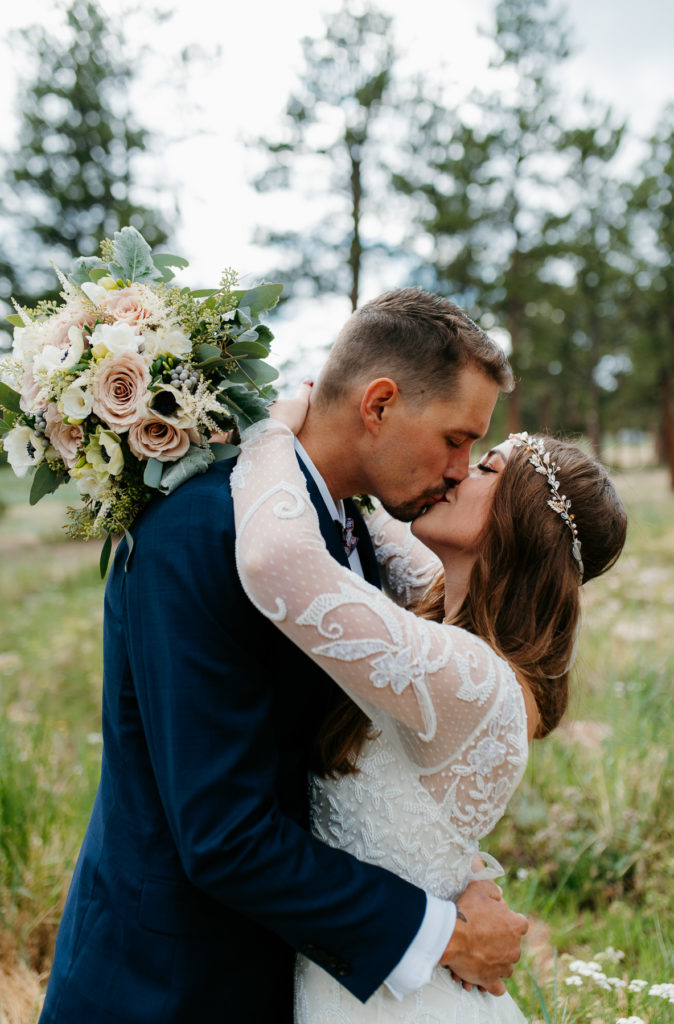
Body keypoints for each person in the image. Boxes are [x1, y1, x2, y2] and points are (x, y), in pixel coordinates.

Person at [39, 289, 529, 1024]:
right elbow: (224, 835)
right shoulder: (202, 531)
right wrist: (442, 935)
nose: (462, 469)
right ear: (380, 405)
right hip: (164, 986)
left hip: (289, 974)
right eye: (457, 439)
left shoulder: (347, 532)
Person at [231, 386, 627, 1022]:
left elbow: (278, 560)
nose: (461, 473)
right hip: (365, 968)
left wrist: (270, 434)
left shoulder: (474, 678)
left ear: (520, 523)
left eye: (487, 468)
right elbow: (380, 513)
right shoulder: (453, 616)